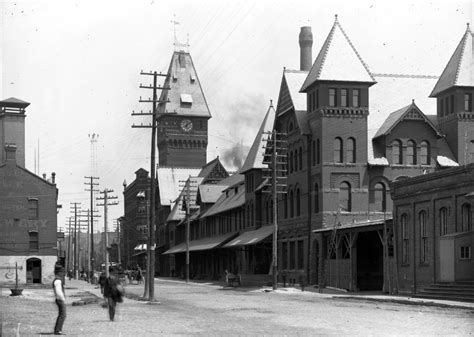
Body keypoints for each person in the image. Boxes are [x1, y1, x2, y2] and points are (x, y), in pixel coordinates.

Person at [52, 264, 66, 335]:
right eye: (62, 272)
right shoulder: (58, 280)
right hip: (60, 299)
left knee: (61, 314)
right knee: (63, 315)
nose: (63, 274)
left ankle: (57, 329)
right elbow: (58, 291)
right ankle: (58, 330)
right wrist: (62, 298)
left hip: (58, 299)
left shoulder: (57, 279)